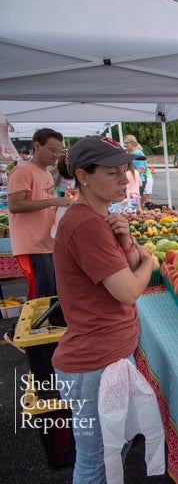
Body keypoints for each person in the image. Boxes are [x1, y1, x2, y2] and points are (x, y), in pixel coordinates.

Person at [51, 135, 157, 483]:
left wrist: (126, 240)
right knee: (97, 459)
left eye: (125, 170)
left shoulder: (100, 219)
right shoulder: (85, 226)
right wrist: (149, 261)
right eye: (112, 173)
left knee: (115, 448)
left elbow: (132, 261)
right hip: (92, 366)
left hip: (105, 358)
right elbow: (129, 289)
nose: (125, 179)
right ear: (83, 176)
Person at [7, 128, 73, 300]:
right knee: (40, 297)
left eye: (58, 151)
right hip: (31, 245)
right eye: (52, 150)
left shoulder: (45, 173)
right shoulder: (23, 171)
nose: (55, 155)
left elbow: (48, 206)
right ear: (37, 146)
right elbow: (15, 205)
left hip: (47, 243)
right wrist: (53, 201)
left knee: (52, 294)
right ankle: (35, 327)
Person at [123, 135, 152, 207]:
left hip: (135, 187)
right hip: (134, 188)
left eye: (127, 143)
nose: (125, 145)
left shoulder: (137, 153)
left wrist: (130, 175)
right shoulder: (130, 153)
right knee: (134, 205)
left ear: (133, 143)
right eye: (124, 143)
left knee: (135, 205)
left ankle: (136, 212)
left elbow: (141, 168)